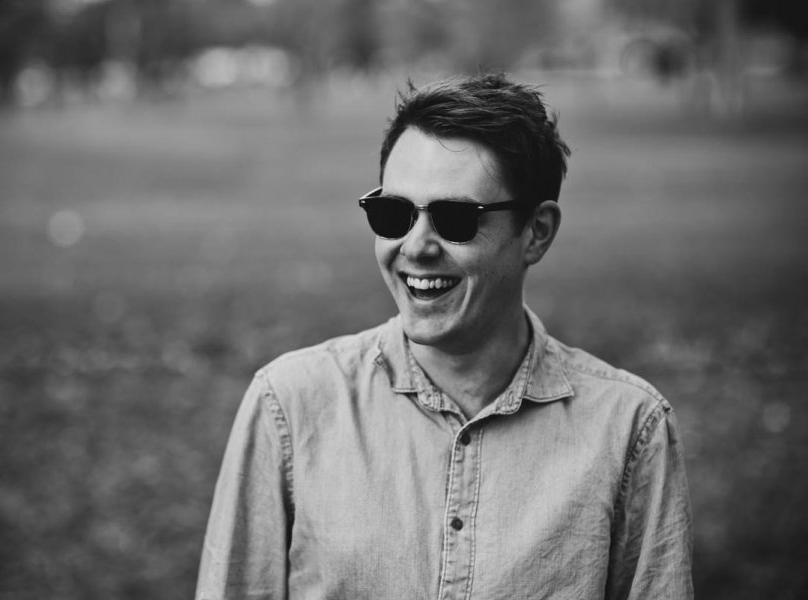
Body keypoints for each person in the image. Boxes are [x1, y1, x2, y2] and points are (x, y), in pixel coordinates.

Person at [195, 73, 693, 599]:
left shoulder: (629, 431)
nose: (415, 246)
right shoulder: (290, 406)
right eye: (393, 213)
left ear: (537, 232)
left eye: (455, 218)